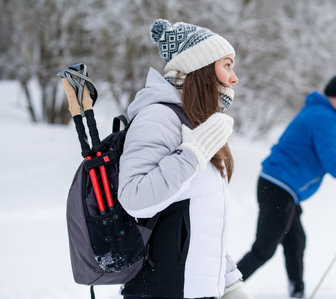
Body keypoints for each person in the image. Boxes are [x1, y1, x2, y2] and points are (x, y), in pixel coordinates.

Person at [118, 19, 252, 299]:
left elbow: (199, 223)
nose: (234, 77)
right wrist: (193, 154)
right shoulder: (159, 117)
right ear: (200, 68)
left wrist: (230, 283)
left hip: (197, 290)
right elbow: (134, 198)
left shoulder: (196, 124)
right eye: (227, 65)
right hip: (162, 290)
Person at [236, 74, 336, 298]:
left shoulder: (321, 115)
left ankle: (297, 292)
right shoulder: (324, 118)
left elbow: (330, 149)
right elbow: (332, 163)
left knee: (296, 240)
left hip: (281, 189)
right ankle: (218, 290)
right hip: (279, 188)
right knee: (263, 250)